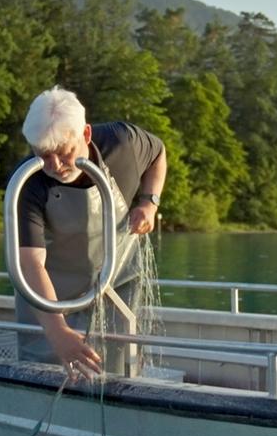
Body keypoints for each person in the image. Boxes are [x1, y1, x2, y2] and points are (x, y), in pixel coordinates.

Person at [13, 86, 166, 381]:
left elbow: (158, 152)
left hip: (115, 284)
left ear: (85, 135)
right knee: (52, 374)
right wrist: (58, 332)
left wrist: (149, 202)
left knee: (120, 372)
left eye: (63, 152)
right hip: (50, 297)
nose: (54, 166)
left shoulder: (123, 142)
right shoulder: (27, 182)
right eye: (43, 155)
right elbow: (30, 263)